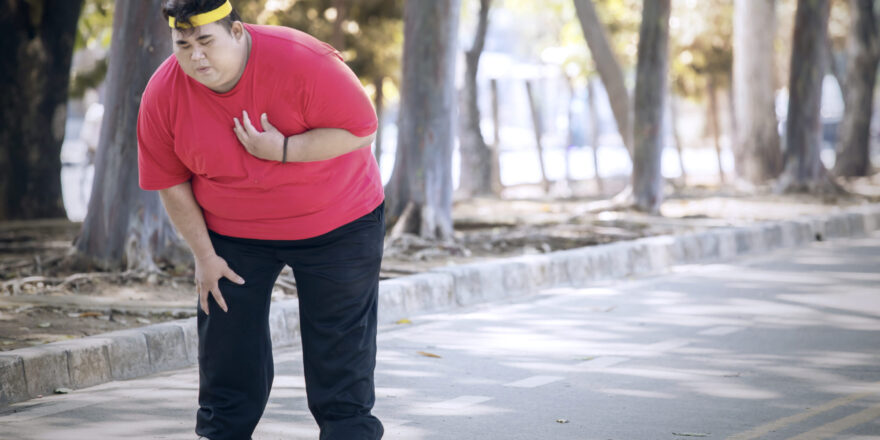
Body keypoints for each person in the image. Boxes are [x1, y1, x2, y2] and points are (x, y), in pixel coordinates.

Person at [136, 1, 385, 439]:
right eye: (183, 44)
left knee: (339, 355)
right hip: (234, 235)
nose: (196, 56)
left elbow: (363, 127)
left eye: (206, 41)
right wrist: (204, 256)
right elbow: (170, 181)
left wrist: (285, 151)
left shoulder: (301, 60)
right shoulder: (163, 94)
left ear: (237, 32)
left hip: (338, 223)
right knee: (227, 351)